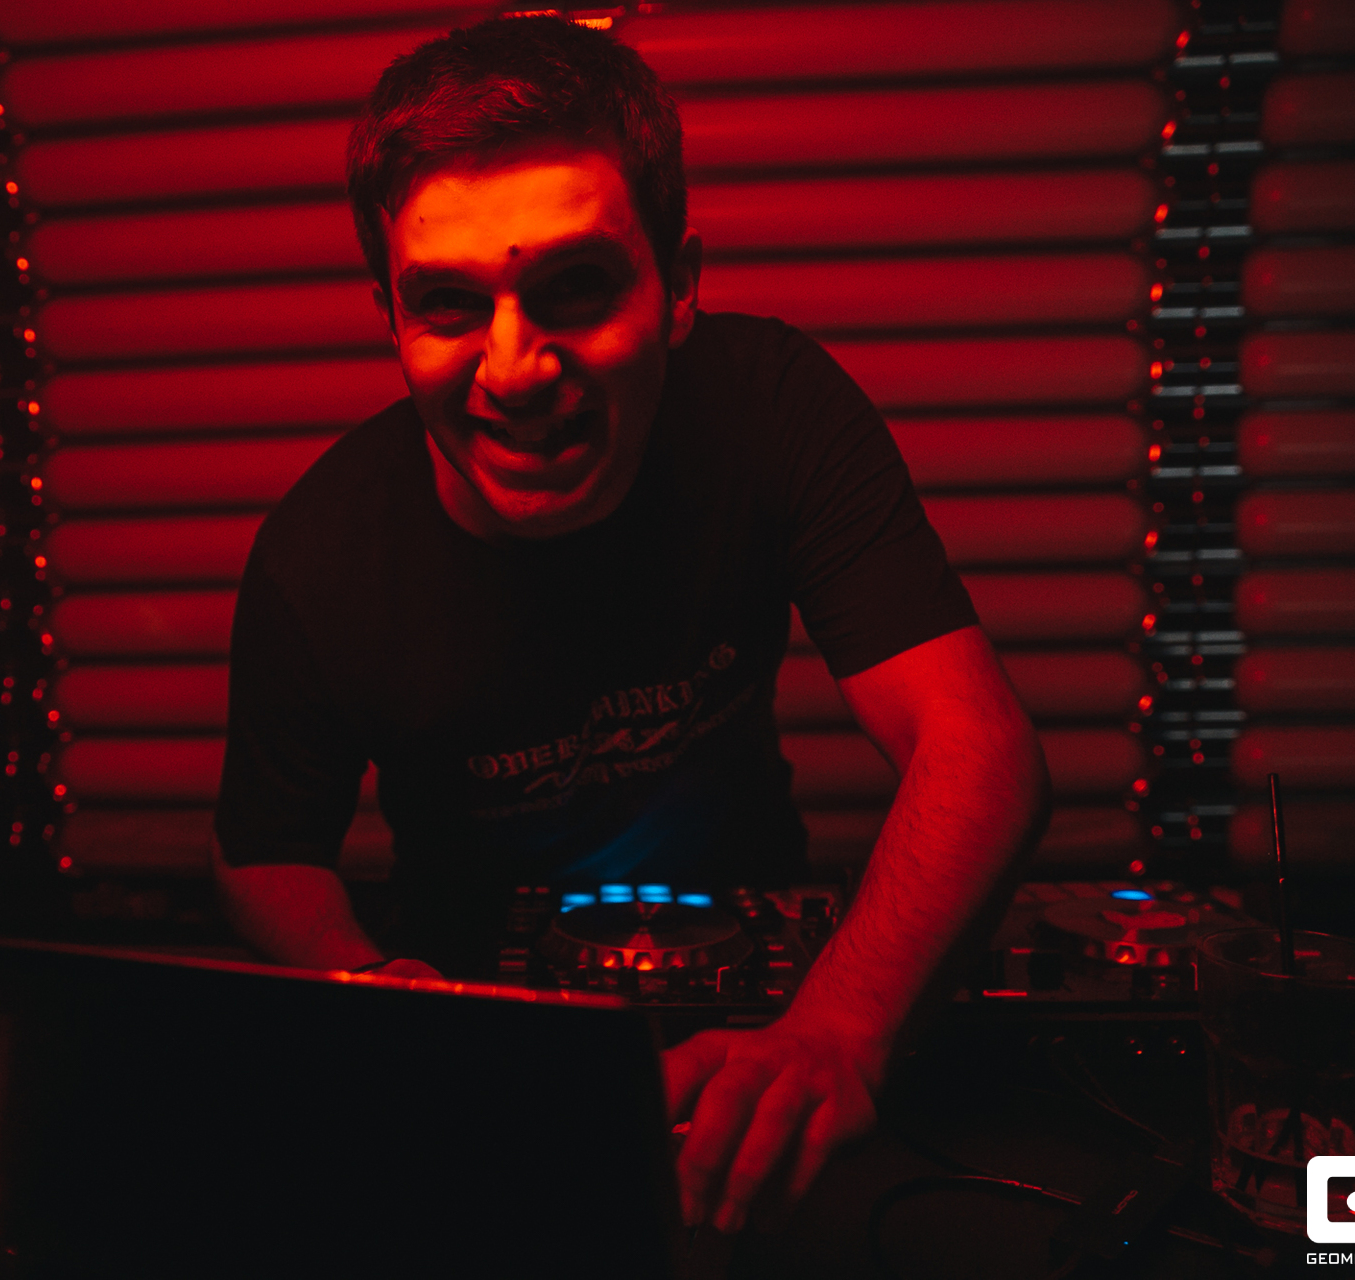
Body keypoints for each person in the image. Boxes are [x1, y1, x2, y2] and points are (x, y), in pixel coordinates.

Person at [208, 14, 1050, 1237]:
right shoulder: (315, 552)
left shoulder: (777, 407)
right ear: (390, 317)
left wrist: (837, 1028)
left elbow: (976, 744)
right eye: (448, 305)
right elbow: (262, 854)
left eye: (575, 287)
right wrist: (374, 984)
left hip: (767, 1014)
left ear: (681, 286)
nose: (513, 368)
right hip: (476, 1044)